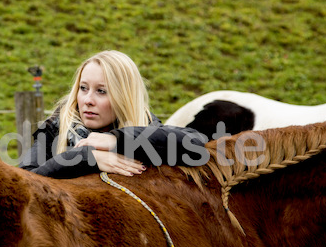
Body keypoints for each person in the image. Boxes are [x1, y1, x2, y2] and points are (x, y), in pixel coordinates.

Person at [19, 50, 207, 178]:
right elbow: (24, 181)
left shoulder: (144, 124)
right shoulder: (57, 128)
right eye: (83, 88)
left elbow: (197, 143)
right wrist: (85, 157)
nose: (87, 100)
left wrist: (117, 140)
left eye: (102, 91)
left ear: (124, 97)